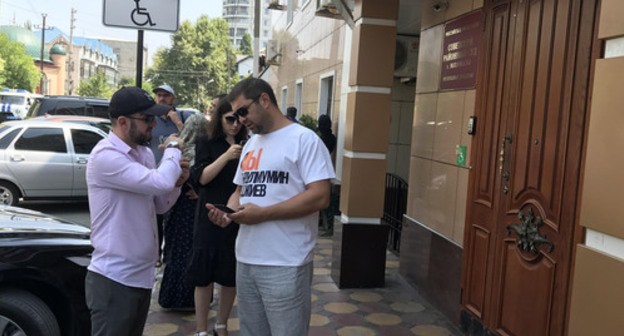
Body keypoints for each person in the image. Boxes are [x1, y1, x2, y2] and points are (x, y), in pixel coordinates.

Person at [207, 78, 335, 336]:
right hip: (245, 259)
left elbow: (320, 196)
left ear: (264, 100)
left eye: (243, 111)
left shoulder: (304, 140)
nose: (241, 120)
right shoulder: (251, 144)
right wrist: (229, 214)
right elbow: (239, 191)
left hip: (286, 262)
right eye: (235, 114)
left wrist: (264, 214)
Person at [85, 86, 189, 336]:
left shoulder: (142, 153)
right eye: (147, 118)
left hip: (140, 277)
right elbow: (159, 182)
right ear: (122, 122)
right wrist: (174, 147)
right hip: (114, 279)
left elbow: (159, 204)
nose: (154, 124)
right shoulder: (105, 156)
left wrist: (177, 183)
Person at [187, 99, 248, 336]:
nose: (234, 124)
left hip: (235, 214)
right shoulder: (207, 142)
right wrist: (226, 156)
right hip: (209, 212)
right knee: (204, 273)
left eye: (238, 119)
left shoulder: (248, 144)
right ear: (219, 119)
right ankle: (201, 329)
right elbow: (201, 178)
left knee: (229, 273)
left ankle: (221, 323)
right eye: (229, 119)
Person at [158, 113, 210, 310]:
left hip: (173, 207)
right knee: (189, 252)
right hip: (191, 211)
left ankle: (170, 297)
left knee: (174, 251)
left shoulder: (174, 153)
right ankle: (188, 299)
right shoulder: (202, 153)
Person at [150, 84, 191, 266]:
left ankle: (171, 253)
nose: (161, 99)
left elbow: (190, 141)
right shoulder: (151, 120)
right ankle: (156, 253)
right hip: (155, 172)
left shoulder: (183, 116)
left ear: (173, 98)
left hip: (178, 174)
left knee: (173, 218)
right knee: (156, 217)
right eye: (159, 95)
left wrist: (177, 123)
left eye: (166, 95)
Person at [317, 114, 337, 236]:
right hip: (326, 170)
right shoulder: (332, 137)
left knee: (323, 199)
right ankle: (325, 223)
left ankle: (328, 225)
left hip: (321, 170)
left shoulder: (322, 139)